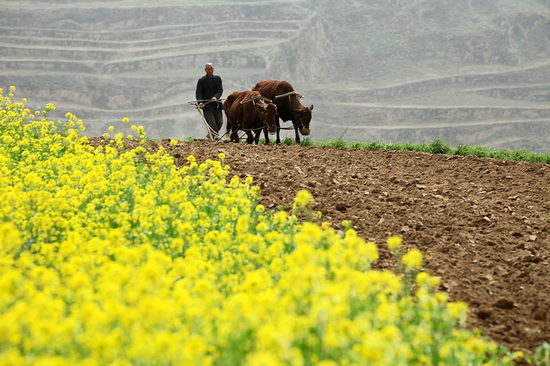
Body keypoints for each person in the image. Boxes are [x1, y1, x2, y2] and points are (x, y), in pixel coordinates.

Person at [195, 63, 223, 140]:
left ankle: (211, 136)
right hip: (207, 105)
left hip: (216, 104)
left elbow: (220, 90)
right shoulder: (202, 80)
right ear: (205, 70)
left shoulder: (218, 79)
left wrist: (215, 97)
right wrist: (200, 102)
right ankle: (216, 138)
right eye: (209, 70)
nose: (211, 71)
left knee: (219, 123)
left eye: (212, 69)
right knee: (212, 123)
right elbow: (198, 92)